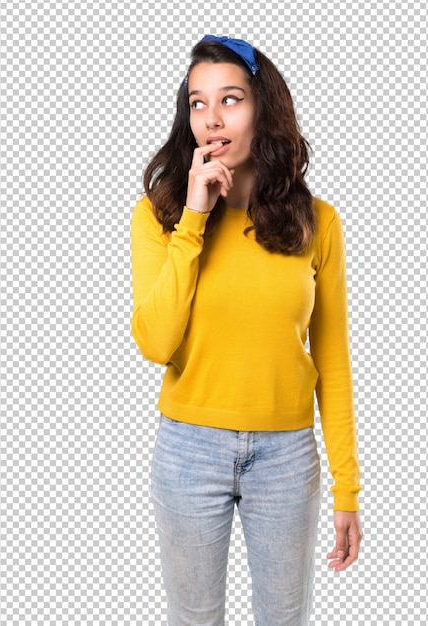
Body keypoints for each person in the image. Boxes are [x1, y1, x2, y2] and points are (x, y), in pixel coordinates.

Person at [131, 34, 363, 626]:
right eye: (197, 102)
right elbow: (155, 342)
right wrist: (194, 218)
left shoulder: (318, 222)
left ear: (263, 106)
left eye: (230, 99)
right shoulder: (159, 215)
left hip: (286, 457)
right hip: (189, 450)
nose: (212, 118)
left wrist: (348, 489)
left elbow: (332, 361)